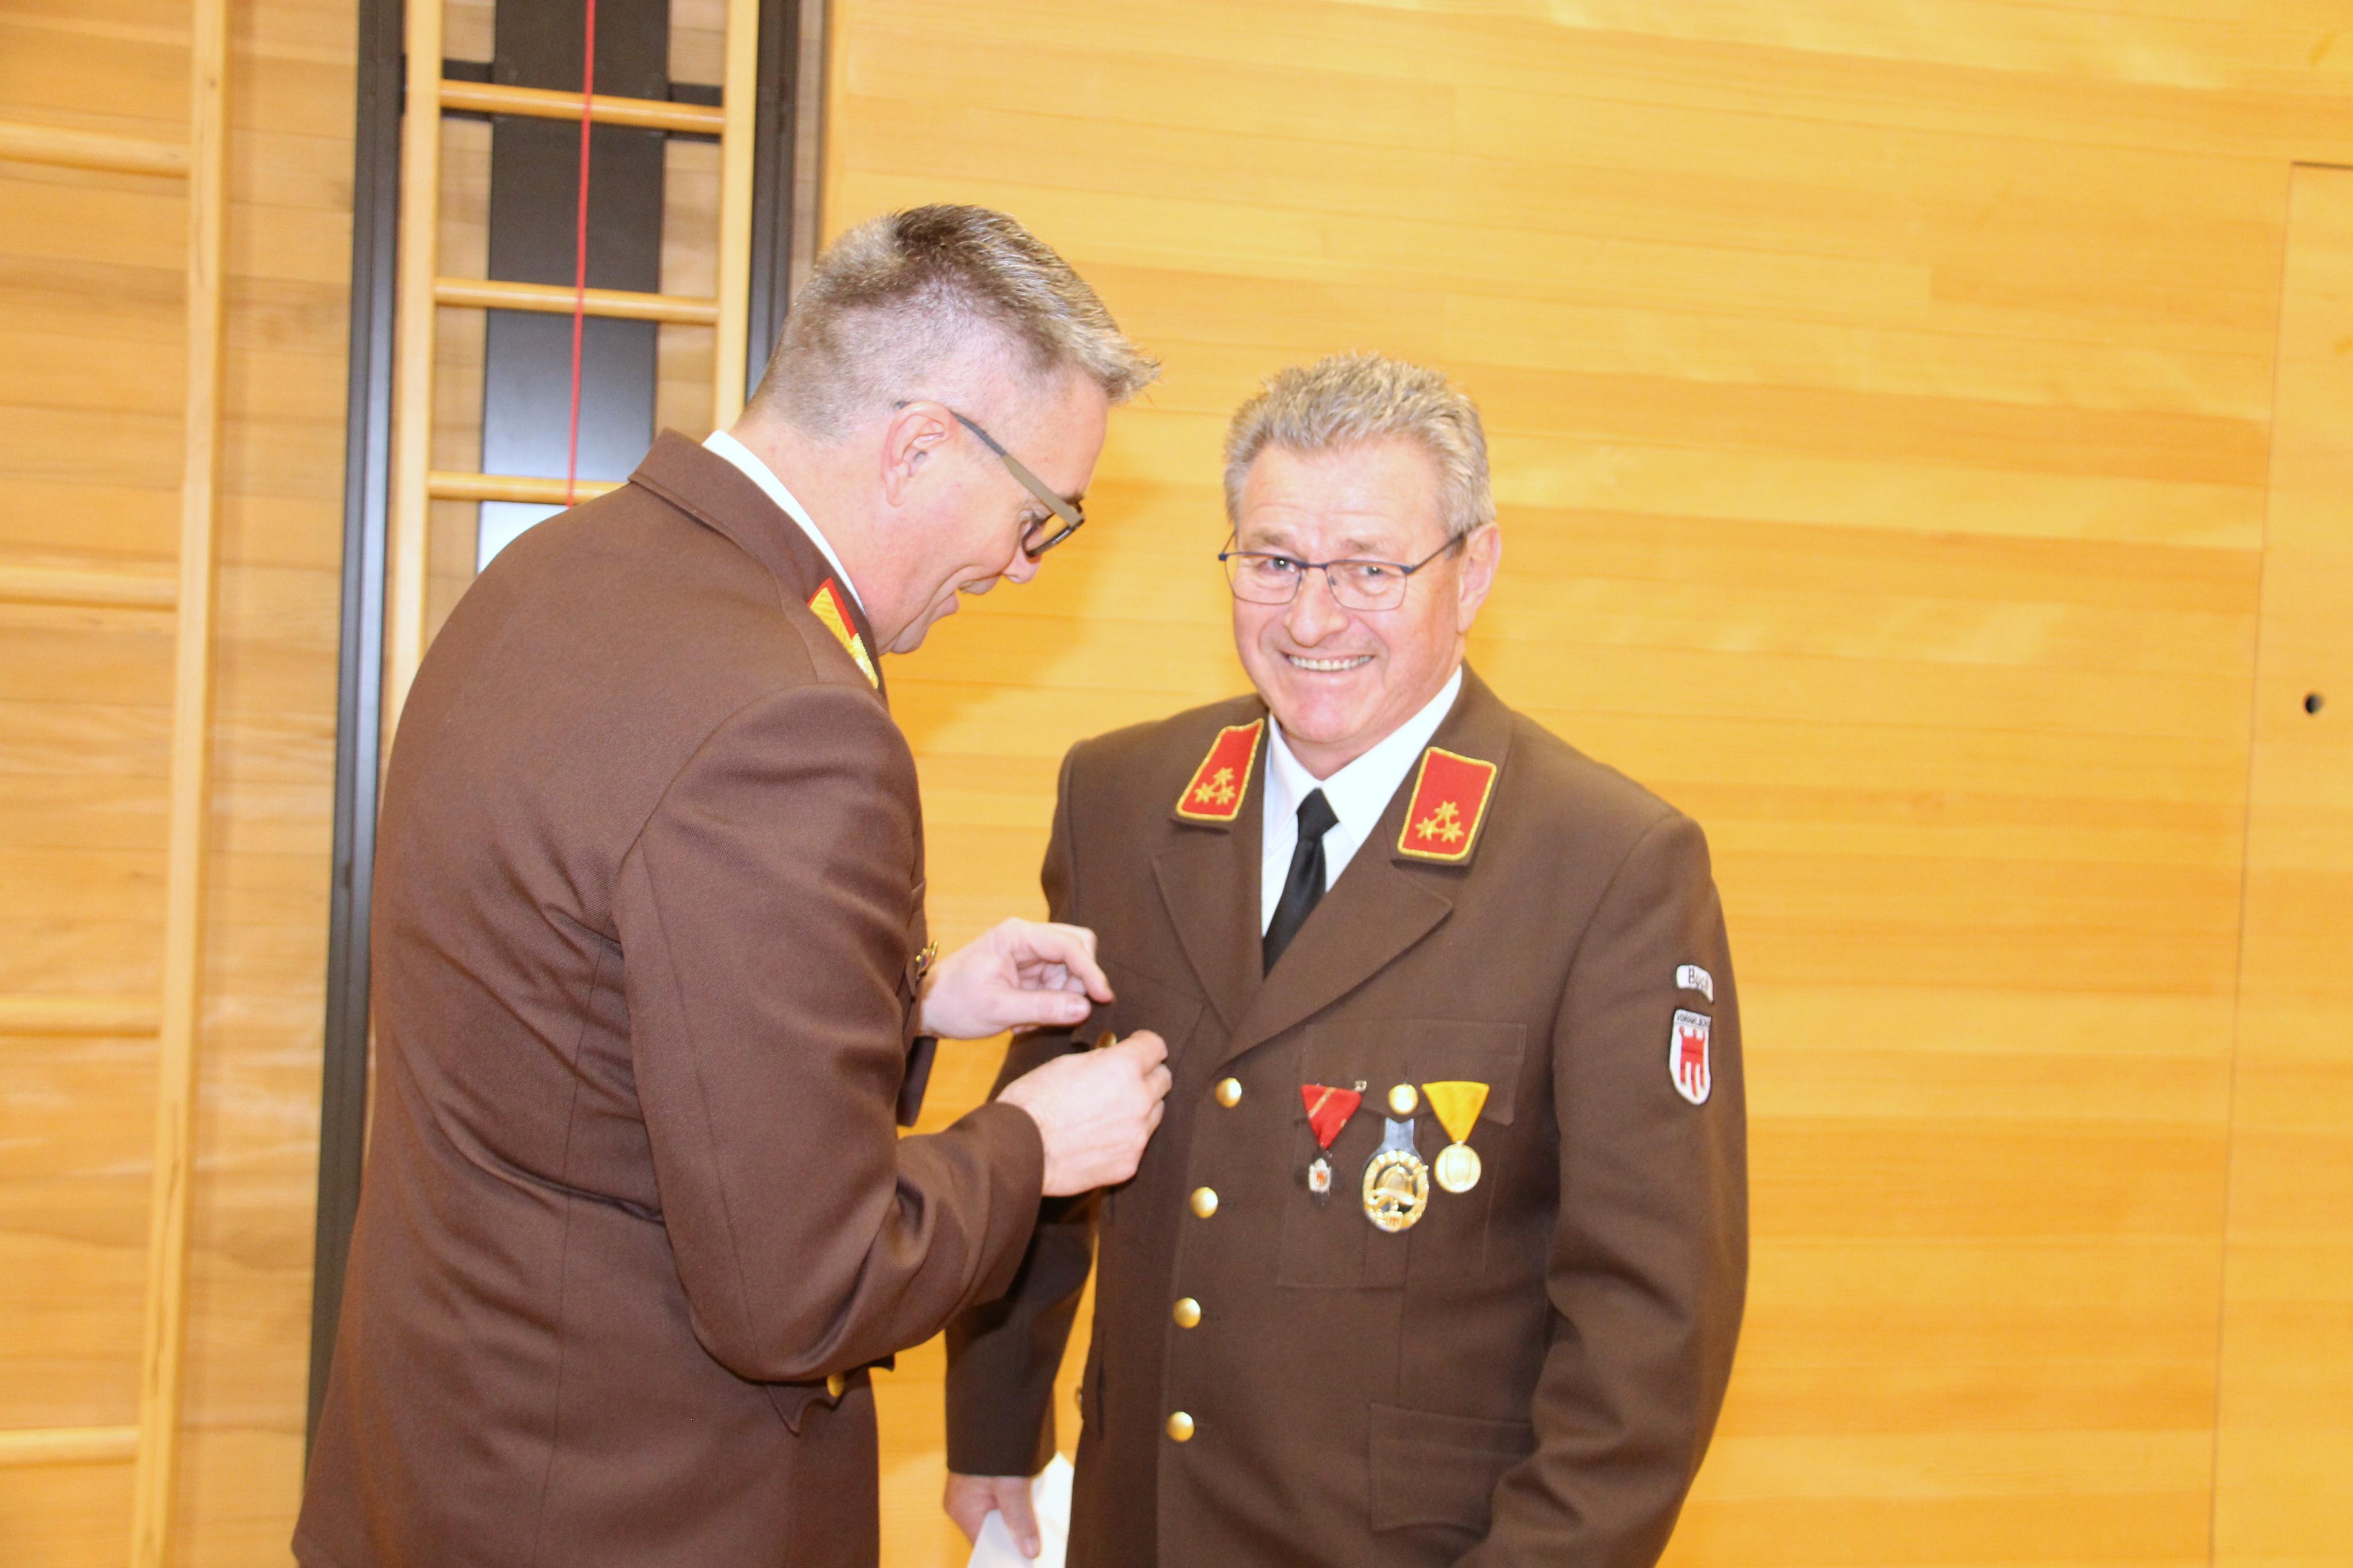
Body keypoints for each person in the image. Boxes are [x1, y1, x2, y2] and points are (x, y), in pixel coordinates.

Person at [296, 206, 1174, 1567]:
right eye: (1037, 518)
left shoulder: (560, 570)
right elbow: (805, 1287)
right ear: (917, 448)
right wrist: (1029, 1147)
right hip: (628, 1506)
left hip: (445, 1459)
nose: (1018, 564)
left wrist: (911, 1001)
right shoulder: (789, 717)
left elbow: (583, 1004)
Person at [943, 354, 1747, 1566]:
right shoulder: (1122, 796)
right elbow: (1047, 1142)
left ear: (1473, 571)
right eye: (1272, 561)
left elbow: (1648, 1328)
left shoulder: (1605, 864)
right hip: (1135, 1527)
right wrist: (996, 1426)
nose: (1311, 620)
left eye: (1371, 570)